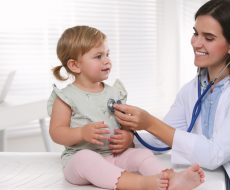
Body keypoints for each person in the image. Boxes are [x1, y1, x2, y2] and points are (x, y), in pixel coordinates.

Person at [113, 0, 230, 190]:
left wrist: (149, 122)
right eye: (196, 33)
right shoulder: (192, 90)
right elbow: (165, 134)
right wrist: (132, 139)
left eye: (209, 37)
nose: (196, 43)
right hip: (218, 182)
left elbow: (215, 154)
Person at [47, 25, 204, 190]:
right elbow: (56, 132)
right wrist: (81, 132)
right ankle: (143, 184)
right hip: (78, 161)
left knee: (141, 155)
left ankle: (170, 179)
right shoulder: (66, 97)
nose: (107, 60)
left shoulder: (114, 93)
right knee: (85, 158)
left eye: (107, 54)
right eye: (98, 56)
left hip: (114, 156)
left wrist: (128, 138)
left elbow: (125, 127)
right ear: (74, 65)